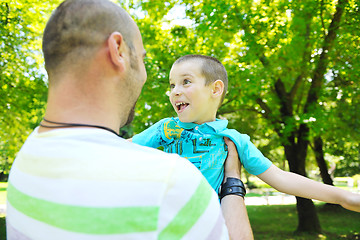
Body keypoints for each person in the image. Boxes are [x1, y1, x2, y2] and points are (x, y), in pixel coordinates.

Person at [5, 1, 253, 240]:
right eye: (142, 58)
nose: (145, 74)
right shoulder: (169, 182)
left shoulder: (26, 158)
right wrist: (232, 181)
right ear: (118, 51)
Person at [132, 54, 360, 213]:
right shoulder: (165, 128)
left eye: (185, 82)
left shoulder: (231, 140)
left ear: (215, 89)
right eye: (172, 85)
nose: (175, 92)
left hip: (207, 225)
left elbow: (280, 177)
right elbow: (121, 147)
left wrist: (343, 197)